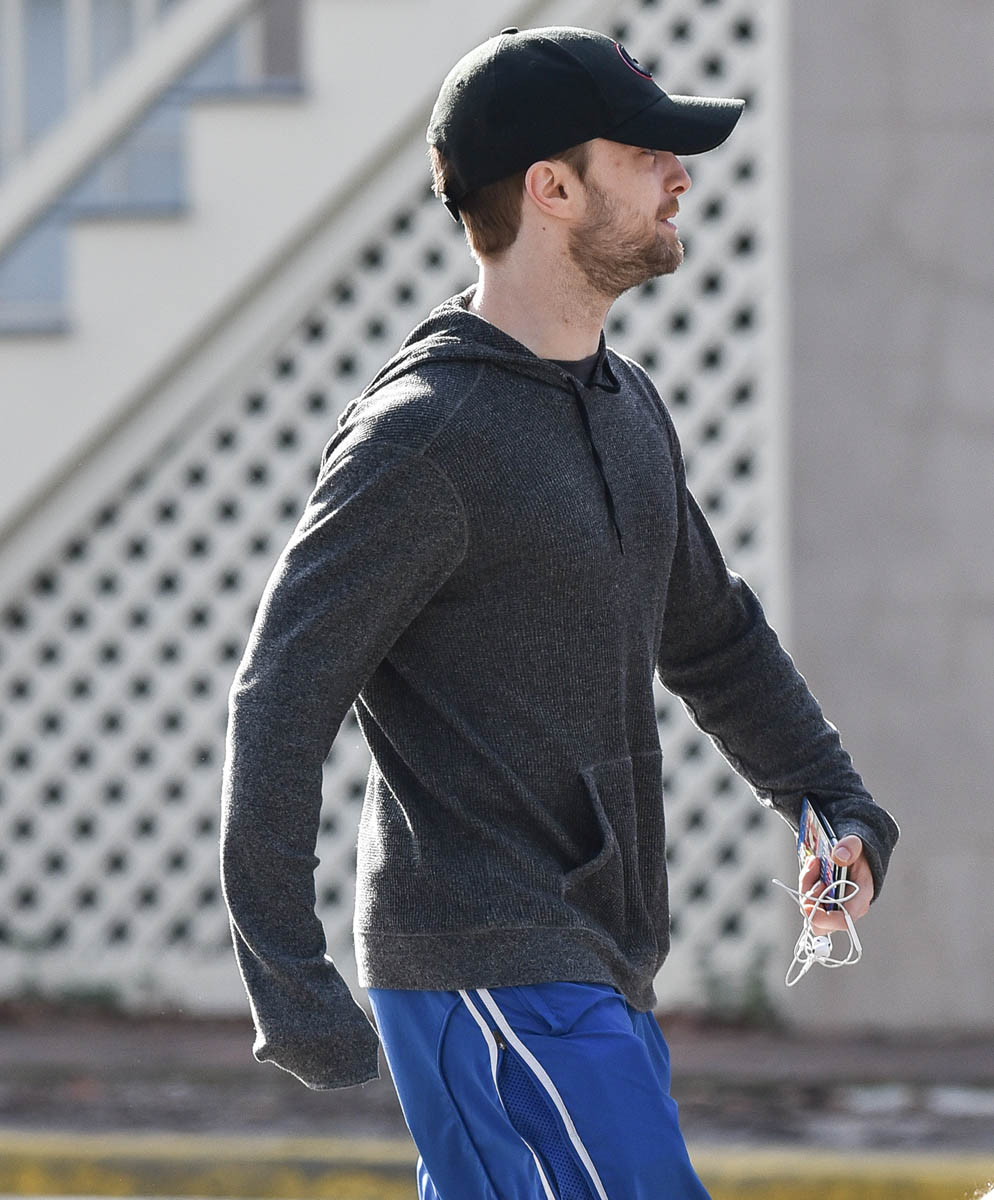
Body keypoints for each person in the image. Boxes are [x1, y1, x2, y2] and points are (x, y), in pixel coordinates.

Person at [219, 25, 900, 1199]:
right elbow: (281, 695)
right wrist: (289, 981)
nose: (679, 177)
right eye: (644, 155)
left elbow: (713, 636)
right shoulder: (421, 439)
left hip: (597, 967)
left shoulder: (625, 405)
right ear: (551, 189)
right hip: (486, 967)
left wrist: (831, 803)